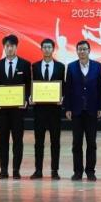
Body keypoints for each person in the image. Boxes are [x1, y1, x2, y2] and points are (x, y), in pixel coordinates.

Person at [63, 40, 101, 181]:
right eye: (79, 49)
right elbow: (68, 89)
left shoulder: (97, 66)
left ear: (89, 51)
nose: (82, 51)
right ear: (76, 51)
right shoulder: (71, 67)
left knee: (91, 143)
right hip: (76, 111)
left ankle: (90, 171)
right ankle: (78, 172)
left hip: (92, 110)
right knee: (77, 143)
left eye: (84, 49)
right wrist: (68, 108)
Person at [0, 34, 32, 179]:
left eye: (12, 46)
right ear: (4, 47)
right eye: (7, 46)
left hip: (18, 110)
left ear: (16, 47)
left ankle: (16, 170)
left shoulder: (25, 64)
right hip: (2, 110)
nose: (9, 48)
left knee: (17, 140)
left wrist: (26, 99)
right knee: (3, 140)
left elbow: (28, 85)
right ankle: (3, 170)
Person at [30, 38, 66, 180]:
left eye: (49, 47)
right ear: (41, 49)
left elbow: (63, 86)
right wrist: (31, 96)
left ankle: (54, 170)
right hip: (39, 110)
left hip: (54, 110)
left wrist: (62, 97)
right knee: (38, 142)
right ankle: (38, 170)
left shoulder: (60, 67)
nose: (47, 49)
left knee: (55, 142)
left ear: (53, 49)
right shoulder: (34, 66)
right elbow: (32, 85)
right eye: (44, 47)